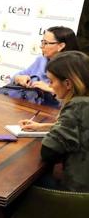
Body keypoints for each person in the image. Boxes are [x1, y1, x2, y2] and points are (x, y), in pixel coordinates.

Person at [18, 51, 89, 192]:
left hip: (76, 195)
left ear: (68, 83)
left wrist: (54, 132)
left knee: (19, 182)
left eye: (51, 81)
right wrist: (44, 126)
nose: (50, 86)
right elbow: (82, 128)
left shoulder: (77, 105)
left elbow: (49, 151)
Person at [12, 26, 79, 96]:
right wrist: (18, 78)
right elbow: (17, 76)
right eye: (42, 42)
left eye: (46, 43)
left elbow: (77, 98)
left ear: (61, 46)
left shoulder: (74, 67)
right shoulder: (41, 60)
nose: (41, 46)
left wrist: (51, 89)